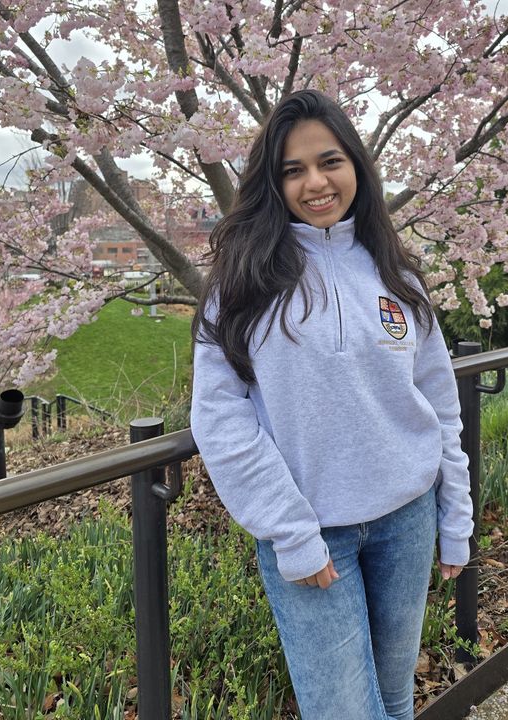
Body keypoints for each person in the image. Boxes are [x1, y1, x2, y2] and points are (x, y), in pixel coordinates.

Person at [190, 89, 474, 720]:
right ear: (273, 183)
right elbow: (220, 416)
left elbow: (437, 402)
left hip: (407, 518)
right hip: (312, 530)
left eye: (330, 161)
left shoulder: (398, 276)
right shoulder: (243, 284)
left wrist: (456, 516)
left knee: (396, 702)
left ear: (357, 168)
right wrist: (293, 533)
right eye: (293, 170)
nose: (315, 183)